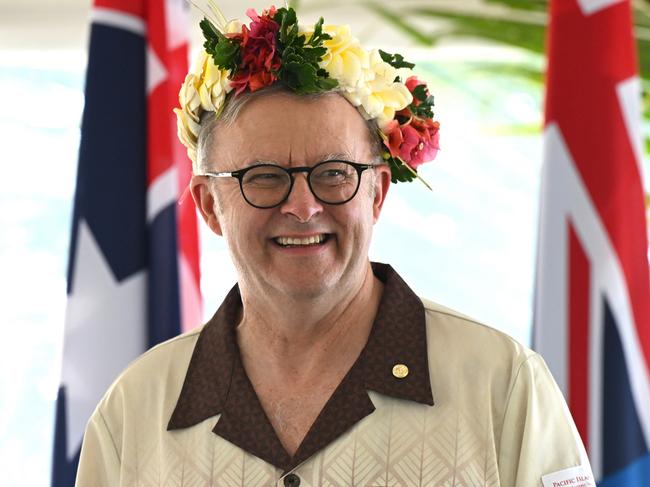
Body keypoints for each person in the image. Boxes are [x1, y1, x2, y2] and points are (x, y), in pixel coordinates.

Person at [75, 5, 594, 487]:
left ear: (376, 193)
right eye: (264, 177)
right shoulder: (133, 412)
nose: (302, 206)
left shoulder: (503, 388)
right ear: (210, 205)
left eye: (333, 174)